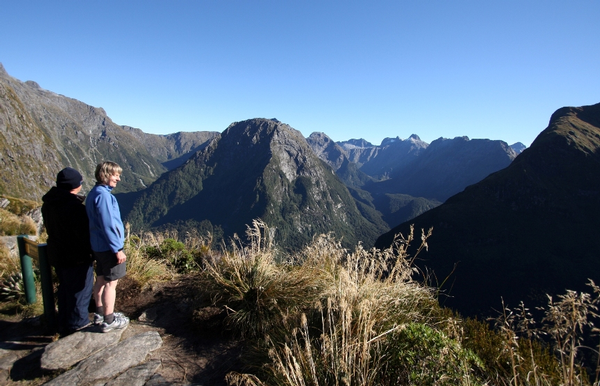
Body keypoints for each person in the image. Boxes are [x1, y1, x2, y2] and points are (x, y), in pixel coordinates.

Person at [41, 167, 94, 336]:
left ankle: (62, 326)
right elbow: (83, 235)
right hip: (76, 257)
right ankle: (77, 328)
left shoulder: (49, 204)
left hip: (57, 255)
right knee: (79, 293)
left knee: (64, 292)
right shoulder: (74, 208)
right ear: (75, 185)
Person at [86, 161, 129, 332]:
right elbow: (108, 224)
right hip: (108, 247)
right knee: (112, 283)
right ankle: (109, 320)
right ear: (105, 174)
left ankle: (99, 312)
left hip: (97, 245)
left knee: (102, 278)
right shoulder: (104, 196)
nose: (118, 179)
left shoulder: (94, 193)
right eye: (115, 175)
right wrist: (117, 249)